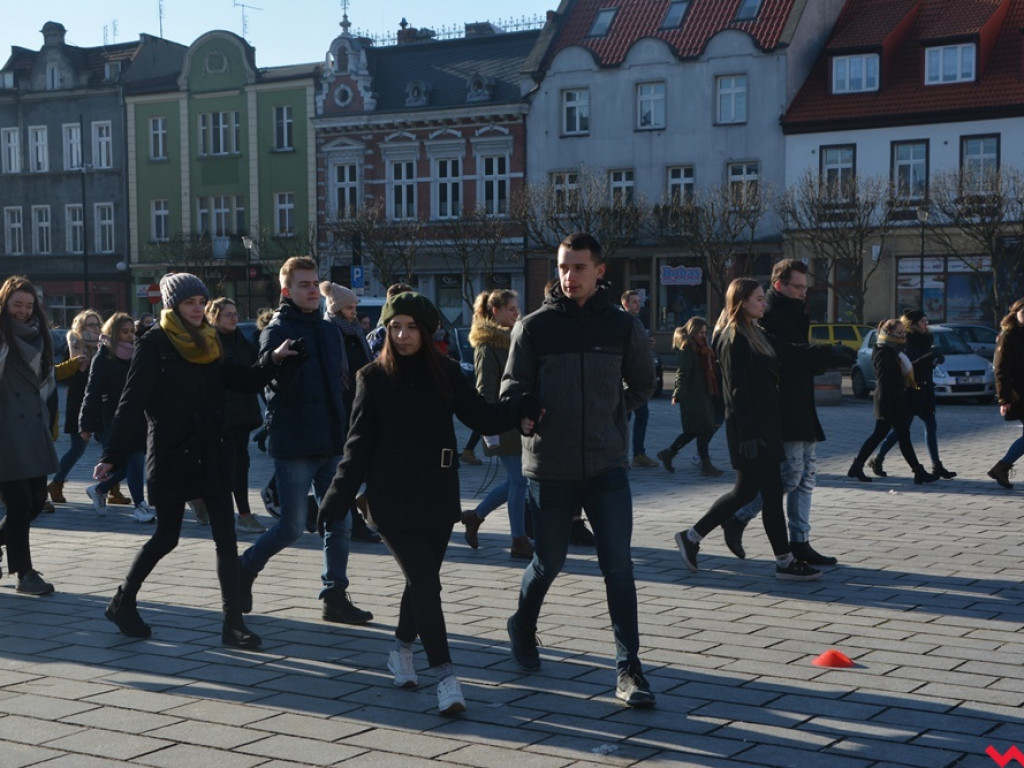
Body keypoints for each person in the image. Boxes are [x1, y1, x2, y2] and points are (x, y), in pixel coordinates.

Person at [318, 291, 539, 716]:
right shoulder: (372, 377)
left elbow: (483, 417)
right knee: (426, 582)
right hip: (391, 500)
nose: (401, 335)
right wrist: (335, 499)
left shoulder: (448, 374)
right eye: (394, 326)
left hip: (438, 496)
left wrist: (521, 407)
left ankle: (401, 648)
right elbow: (357, 447)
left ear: (427, 329)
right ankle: (446, 677)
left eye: (411, 327)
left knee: (420, 582)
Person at [95, 272, 296, 647]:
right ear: (174, 305)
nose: (198, 309)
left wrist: (274, 359)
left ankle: (232, 624)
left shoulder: (211, 340)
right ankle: (123, 601)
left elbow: (244, 379)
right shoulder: (155, 342)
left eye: (202, 302)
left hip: (211, 452)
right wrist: (112, 454)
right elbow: (132, 400)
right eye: (190, 302)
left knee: (226, 538)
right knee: (166, 536)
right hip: (171, 454)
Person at [502, 232, 657, 709]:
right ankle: (522, 626)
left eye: (580, 268)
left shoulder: (622, 326)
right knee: (549, 561)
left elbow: (645, 382)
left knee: (618, 566)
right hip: (551, 467)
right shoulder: (533, 328)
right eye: (564, 267)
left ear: (600, 271)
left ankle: (629, 669)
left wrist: (613, 415)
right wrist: (524, 407)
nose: (569, 276)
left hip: (607, 465)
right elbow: (511, 389)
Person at [239, 257, 372, 626]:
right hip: (295, 442)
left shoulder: (329, 331)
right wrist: (278, 362)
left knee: (340, 522)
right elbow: (268, 375)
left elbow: (339, 385)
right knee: (293, 526)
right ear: (287, 291)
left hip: (331, 441)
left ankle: (334, 595)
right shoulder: (277, 328)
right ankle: (244, 568)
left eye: (315, 284)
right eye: (304, 285)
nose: (312, 290)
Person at [674, 278, 822, 582]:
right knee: (769, 495)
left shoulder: (755, 333)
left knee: (744, 492)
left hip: (762, 427)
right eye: (757, 299)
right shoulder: (734, 338)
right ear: (741, 302)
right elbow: (737, 391)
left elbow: (790, 352)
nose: (763, 303)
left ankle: (691, 537)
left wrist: (828, 354)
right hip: (751, 432)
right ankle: (785, 561)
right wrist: (750, 434)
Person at [721, 260, 851, 565]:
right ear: (779, 284)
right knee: (788, 477)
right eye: (797, 286)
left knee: (806, 475)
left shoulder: (793, 312)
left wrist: (826, 356)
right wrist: (825, 355)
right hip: (782, 409)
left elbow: (797, 356)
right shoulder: (767, 317)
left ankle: (800, 540)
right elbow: (788, 357)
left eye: (805, 287)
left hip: (801, 405)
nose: (803, 292)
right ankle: (738, 518)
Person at [461, 289, 532, 560]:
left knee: (520, 480)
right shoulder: (488, 344)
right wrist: (488, 428)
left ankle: (475, 516)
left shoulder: (515, 338)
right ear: (496, 312)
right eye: (511, 309)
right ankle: (518, 540)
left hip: (519, 418)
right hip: (502, 421)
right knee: (518, 480)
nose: (517, 313)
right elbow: (484, 389)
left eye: (517, 308)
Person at [0, 275, 59, 595]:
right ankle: (24, 573)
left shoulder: (42, 335)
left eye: (28, 305)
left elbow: (46, 382)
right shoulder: (1, 335)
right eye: (16, 305)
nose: (22, 311)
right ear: (5, 304)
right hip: (5, 431)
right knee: (20, 504)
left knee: (37, 501)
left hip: (33, 427)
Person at [320, 280, 381, 543]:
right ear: (337, 308)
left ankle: (357, 514)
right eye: (349, 307)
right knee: (348, 466)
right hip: (342, 408)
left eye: (355, 307)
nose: (354, 312)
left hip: (360, 406)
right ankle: (351, 522)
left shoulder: (355, 331)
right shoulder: (331, 332)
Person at [78, 312, 155, 523]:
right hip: (111, 419)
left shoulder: (137, 354)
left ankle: (101, 490)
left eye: (132, 331)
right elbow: (91, 391)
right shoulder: (103, 358)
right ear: (113, 332)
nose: (130, 336)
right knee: (131, 461)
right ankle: (139, 505)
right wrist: (85, 423)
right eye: (124, 332)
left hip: (137, 417)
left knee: (133, 461)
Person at [847, 319, 939, 485]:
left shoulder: (895, 351)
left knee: (885, 436)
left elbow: (906, 371)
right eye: (899, 333)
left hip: (893, 400)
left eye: (904, 333)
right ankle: (918, 471)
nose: (903, 336)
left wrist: (926, 360)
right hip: (889, 401)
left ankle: (857, 466)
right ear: (887, 334)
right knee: (901, 436)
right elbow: (888, 380)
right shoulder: (883, 352)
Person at [867, 310, 955, 480]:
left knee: (931, 425)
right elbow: (907, 367)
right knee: (901, 430)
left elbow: (926, 362)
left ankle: (937, 465)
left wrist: (935, 358)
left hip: (926, 388)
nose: (926, 324)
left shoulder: (926, 339)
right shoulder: (905, 341)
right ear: (913, 324)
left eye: (926, 320)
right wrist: (928, 359)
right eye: (922, 321)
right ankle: (878, 459)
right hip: (910, 392)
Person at [207, 297, 267, 533]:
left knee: (237, 463)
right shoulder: (212, 342)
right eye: (228, 314)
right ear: (214, 318)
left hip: (242, 412)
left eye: (235, 314)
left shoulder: (242, 340)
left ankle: (214, 505)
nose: (234, 318)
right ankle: (242, 513)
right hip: (221, 413)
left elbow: (257, 371)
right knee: (233, 464)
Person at [47, 309, 113, 506]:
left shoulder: (104, 346)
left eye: (96, 324)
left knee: (110, 446)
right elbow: (67, 380)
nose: (94, 328)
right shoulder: (74, 346)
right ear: (80, 327)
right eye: (89, 325)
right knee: (78, 448)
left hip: (103, 403)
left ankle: (112, 489)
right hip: (81, 404)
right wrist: (80, 369)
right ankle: (57, 482)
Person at [656, 318, 723, 477]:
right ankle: (704, 464)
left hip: (702, 393)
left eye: (705, 333)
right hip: (692, 395)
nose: (703, 336)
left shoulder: (701, 349)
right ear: (692, 331)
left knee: (699, 429)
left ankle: (669, 453)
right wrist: (677, 393)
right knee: (702, 428)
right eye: (700, 332)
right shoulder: (687, 348)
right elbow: (682, 372)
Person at [988, 298, 1024, 489]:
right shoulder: (1008, 336)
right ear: (1015, 314)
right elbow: (1000, 369)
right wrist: (1004, 398)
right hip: (1019, 393)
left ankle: (1002, 467)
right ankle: (1002, 467)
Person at [621, 290, 658, 468]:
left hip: (639, 379)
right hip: (627, 380)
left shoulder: (637, 322)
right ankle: (621, 456)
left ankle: (638, 453)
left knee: (642, 415)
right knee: (623, 418)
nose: (638, 305)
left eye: (639, 301)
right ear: (625, 304)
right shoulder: (623, 322)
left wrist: (647, 343)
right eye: (634, 302)